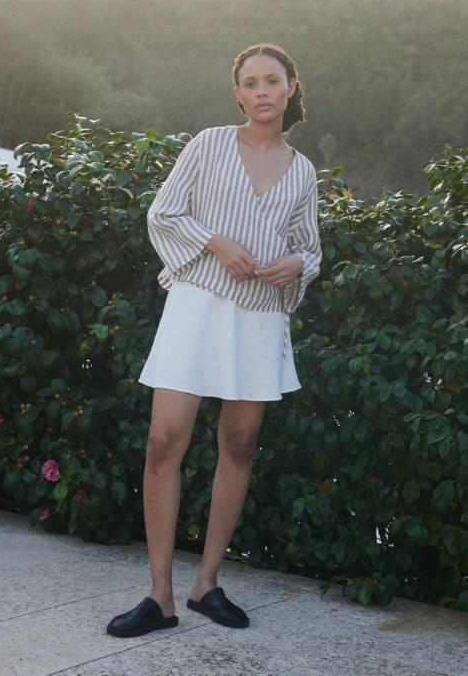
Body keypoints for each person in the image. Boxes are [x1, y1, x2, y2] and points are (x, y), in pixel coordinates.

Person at [107, 44, 321, 637]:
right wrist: (215, 242)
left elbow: (312, 247)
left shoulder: (302, 171)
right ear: (238, 93)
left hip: (257, 319)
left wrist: (295, 263)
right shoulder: (206, 145)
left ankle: (206, 585)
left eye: (272, 81)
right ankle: (160, 597)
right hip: (195, 307)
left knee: (239, 444)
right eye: (249, 82)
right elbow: (164, 213)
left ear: (290, 88)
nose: (261, 92)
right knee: (163, 442)